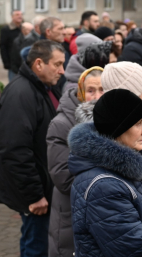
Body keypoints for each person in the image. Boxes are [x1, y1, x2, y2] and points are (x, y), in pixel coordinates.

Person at [0, 40, 65, 257]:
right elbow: (15, 150)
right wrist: (34, 196)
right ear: (39, 64)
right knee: (37, 245)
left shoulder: (43, 87)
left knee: (35, 239)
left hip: (42, 185)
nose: (62, 71)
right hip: (35, 192)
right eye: (57, 64)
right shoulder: (21, 93)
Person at [69, 89, 142, 257]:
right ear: (118, 128)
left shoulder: (125, 170)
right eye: (138, 123)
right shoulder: (104, 187)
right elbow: (136, 251)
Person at [47, 67, 104, 257]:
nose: (96, 96)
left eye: (102, 90)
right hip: (71, 213)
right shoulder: (62, 123)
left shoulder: (110, 119)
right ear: (80, 92)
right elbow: (62, 176)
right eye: (91, 90)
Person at [0, 10, 23, 81]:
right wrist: (6, 62)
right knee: (14, 84)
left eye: (21, 14)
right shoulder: (6, 29)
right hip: (12, 63)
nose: (20, 16)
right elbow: (2, 47)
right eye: (17, 14)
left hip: (22, 62)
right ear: (12, 17)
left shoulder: (24, 28)